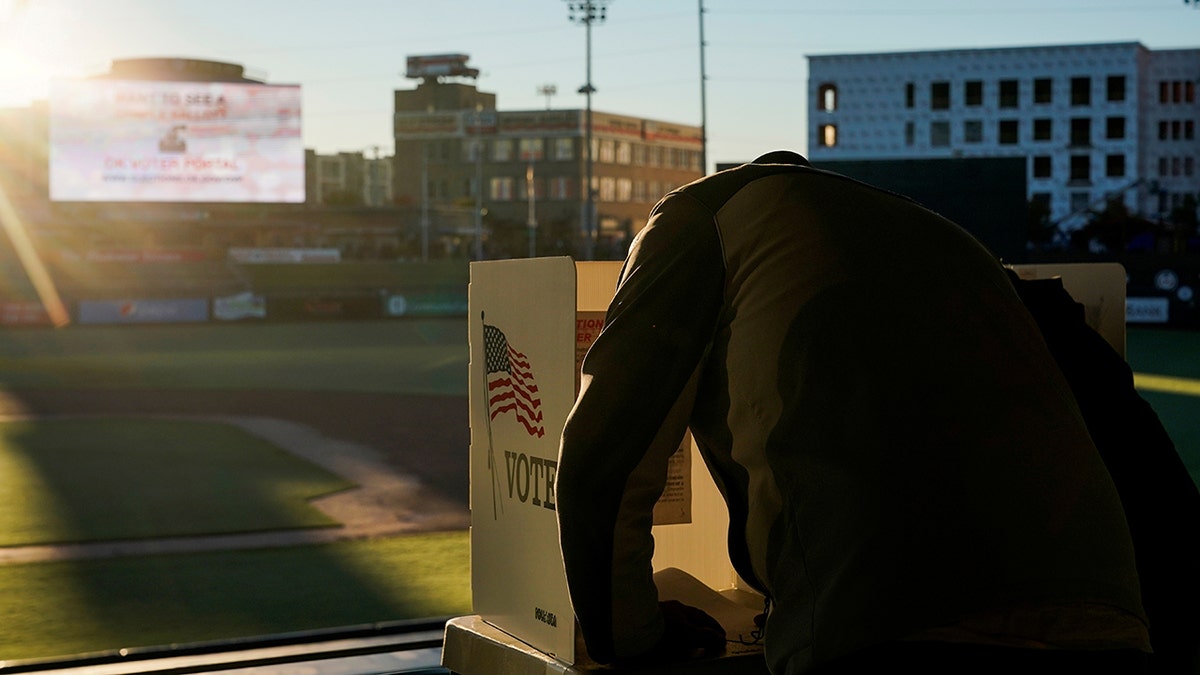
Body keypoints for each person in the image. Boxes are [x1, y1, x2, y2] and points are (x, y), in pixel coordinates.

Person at [556, 151, 1151, 674]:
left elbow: (605, 455)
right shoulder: (944, 237)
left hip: (885, 624)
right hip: (1113, 625)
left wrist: (630, 634)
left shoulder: (700, 212)